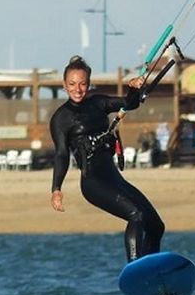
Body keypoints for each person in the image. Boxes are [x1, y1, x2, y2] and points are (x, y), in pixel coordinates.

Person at [50, 55, 164, 263]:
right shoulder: (61, 118)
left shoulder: (98, 103)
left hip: (113, 178)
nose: (78, 89)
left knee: (156, 225)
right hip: (93, 182)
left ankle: (151, 268)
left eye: (83, 84)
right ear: (64, 86)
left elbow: (130, 104)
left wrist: (133, 88)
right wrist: (56, 189)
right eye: (72, 84)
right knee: (136, 216)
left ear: (88, 83)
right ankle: (135, 268)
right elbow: (61, 154)